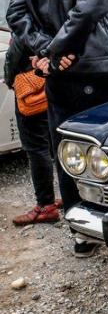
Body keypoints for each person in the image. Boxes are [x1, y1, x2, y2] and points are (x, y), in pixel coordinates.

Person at [6, 0, 108, 256]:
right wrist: (53, 49)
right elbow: (89, 11)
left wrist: (45, 50)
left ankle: (81, 230)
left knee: (66, 148)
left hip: (59, 72)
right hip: (95, 66)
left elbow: (16, 14)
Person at [4, 37, 59, 225]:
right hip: (53, 81)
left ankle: (46, 206)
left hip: (30, 86)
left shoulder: (26, 13)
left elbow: (14, 54)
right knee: (55, 143)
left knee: (36, 147)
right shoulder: (57, 10)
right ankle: (71, 196)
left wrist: (11, 80)